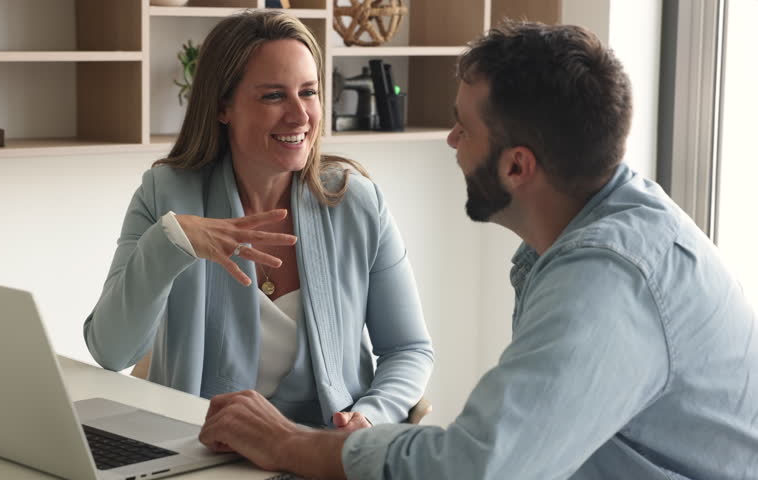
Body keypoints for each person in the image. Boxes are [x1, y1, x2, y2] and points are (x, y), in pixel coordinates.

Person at [197, 21, 758, 479]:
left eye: (463, 128)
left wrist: (290, 445)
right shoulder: (599, 230)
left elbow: (473, 468)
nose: (452, 142)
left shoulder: (608, 282)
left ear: (517, 166)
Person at [82, 10, 433, 430]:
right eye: (273, 96)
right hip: (200, 447)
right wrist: (170, 243)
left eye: (309, 92)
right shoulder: (165, 196)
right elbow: (111, 351)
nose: (300, 115)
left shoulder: (357, 203)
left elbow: (409, 348)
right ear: (222, 106)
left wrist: (369, 416)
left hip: (322, 450)